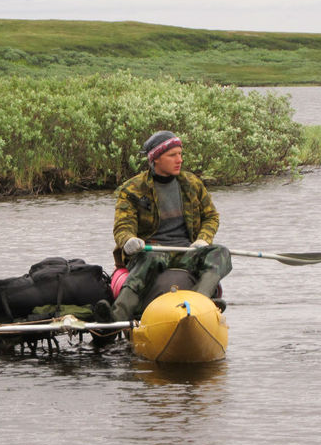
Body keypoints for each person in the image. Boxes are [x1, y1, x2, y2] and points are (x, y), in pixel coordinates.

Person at [96, 130, 231, 322]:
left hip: (187, 252)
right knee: (150, 258)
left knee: (221, 253)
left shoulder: (192, 183)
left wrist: (203, 239)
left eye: (180, 154)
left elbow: (211, 217)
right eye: (172, 155)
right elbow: (122, 226)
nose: (180, 160)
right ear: (156, 159)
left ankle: (201, 303)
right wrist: (129, 240)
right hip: (151, 252)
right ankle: (116, 319)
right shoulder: (132, 189)